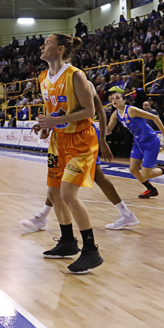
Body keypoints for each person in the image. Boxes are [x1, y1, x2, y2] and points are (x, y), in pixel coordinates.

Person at [33, 34, 103, 273]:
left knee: (68, 194)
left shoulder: (75, 75)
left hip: (81, 141)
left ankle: (91, 251)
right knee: (53, 193)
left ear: (60, 49)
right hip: (58, 141)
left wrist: (57, 119)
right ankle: (67, 242)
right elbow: (53, 111)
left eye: (48, 43)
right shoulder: (42, 77)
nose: (43, 47)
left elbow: (89, 110)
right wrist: (46, 125)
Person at [21, 93, 141, 233]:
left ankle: (43, 217)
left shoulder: (80, 81)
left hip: (82, 137)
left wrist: (102, 140)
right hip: (65, 136)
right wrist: (48, 126)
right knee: (94, 177)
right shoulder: (55, 81)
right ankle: (126, 214)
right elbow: (60, 113)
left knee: (72, 181)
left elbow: (99, 111)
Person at [107, 89, 164, 199]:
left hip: (151, 141)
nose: (114, 100)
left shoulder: (131, 110)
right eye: (112, 99)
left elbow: (155, 117)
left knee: (146, 173)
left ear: (124, 100)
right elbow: (108, 130)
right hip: (138, 143)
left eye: (117, 98)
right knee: (133, 170)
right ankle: (151, 189)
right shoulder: (116, 114)